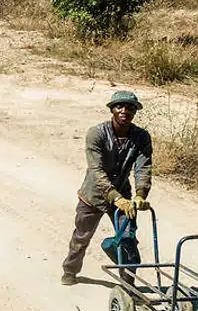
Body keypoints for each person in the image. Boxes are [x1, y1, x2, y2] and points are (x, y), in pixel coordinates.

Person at [61, 90, 153, 286]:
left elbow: (143, 168)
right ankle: (70, 270)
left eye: (130, 108)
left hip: (124, 196)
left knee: (128, 240)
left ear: (135, 112)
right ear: (112, 110)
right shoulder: (96, 133)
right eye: (120, 106)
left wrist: (140, 194)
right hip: (93, 195)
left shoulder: (141, 137)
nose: (124, 111)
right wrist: (115, 197)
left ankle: (128, 285)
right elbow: (96, 170)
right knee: (81, 237)